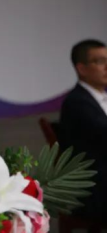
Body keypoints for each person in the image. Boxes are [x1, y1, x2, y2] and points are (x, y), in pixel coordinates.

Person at [59, 39, 107, 222]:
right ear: (82, 68)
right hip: (96, 189)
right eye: (100, 61)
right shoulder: (77, 102)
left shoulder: (101, 97)